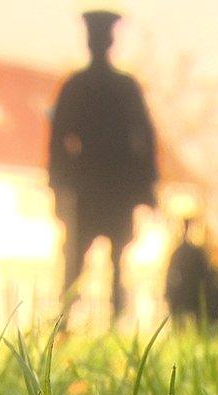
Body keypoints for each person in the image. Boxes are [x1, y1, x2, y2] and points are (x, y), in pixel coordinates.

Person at [49, 10, 158, 319]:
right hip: (87, 188)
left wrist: (146, 188)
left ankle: (110, 316)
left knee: (116, 261)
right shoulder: (80, 87)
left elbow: (145, 140)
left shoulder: (122, 88)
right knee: (76, 259)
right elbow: (58, 143)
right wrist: (59, 187)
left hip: (112, 188)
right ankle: (66, 319)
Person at [164, 219, 218, 323]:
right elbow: (172, 274)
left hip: (196, 292)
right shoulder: (180, 252)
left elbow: (206, 273)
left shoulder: (195, 252)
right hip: (184, 292)